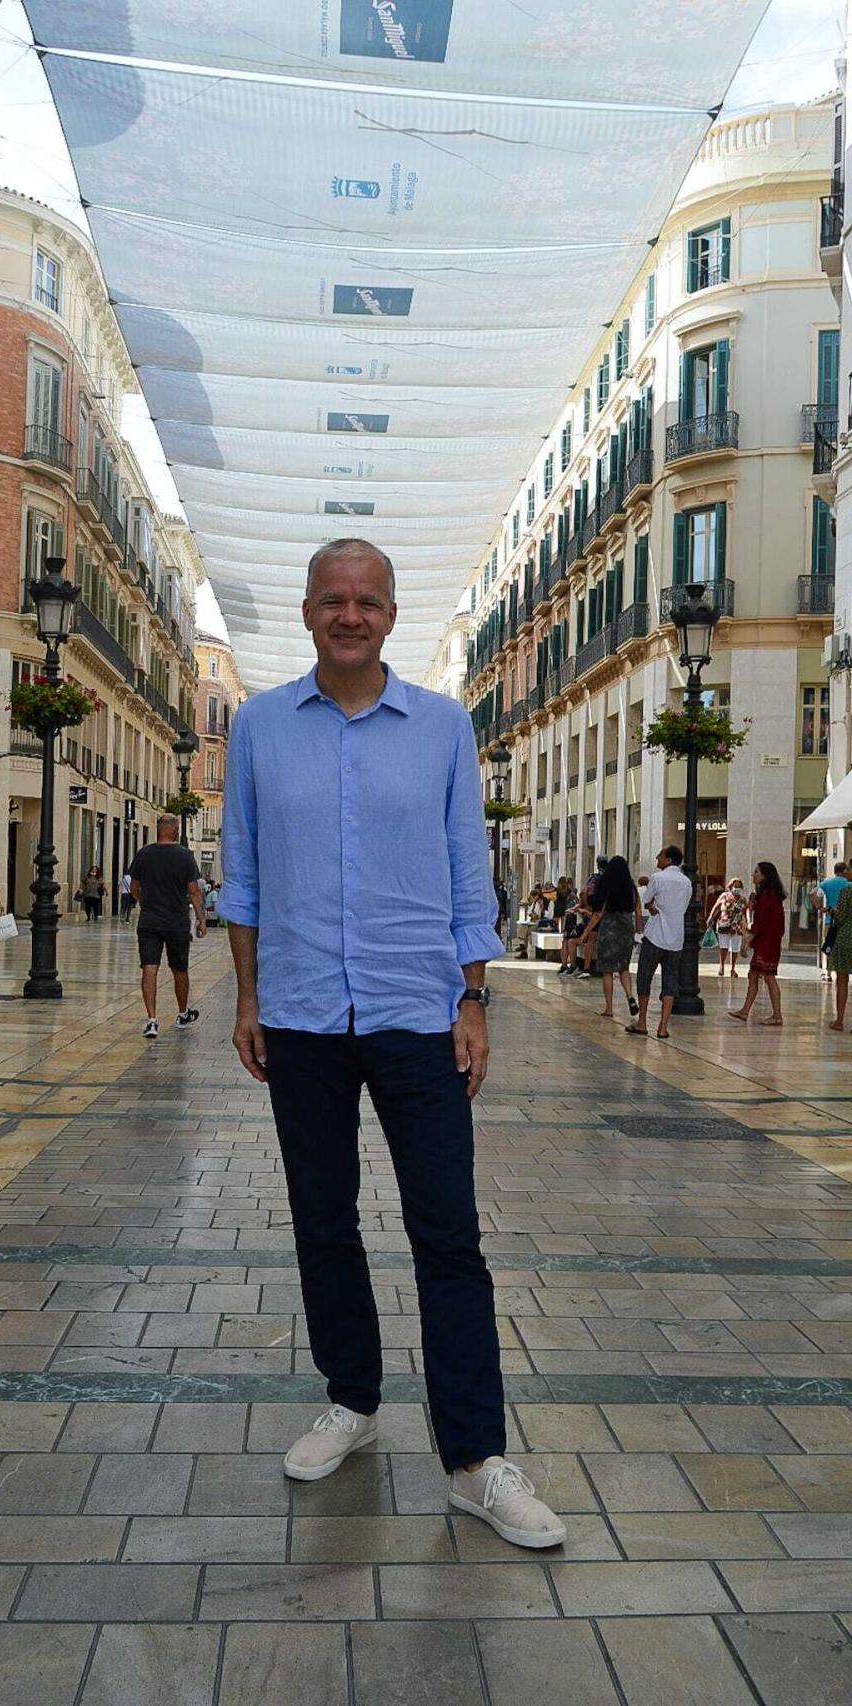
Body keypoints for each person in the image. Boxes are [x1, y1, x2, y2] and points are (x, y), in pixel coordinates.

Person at [220, 537, 565, 1551]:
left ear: (391, 612)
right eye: (333, 597)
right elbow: (242, 872)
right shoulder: (259, 727)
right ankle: (352, 1397)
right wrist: (247, 995)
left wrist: (476, 1000)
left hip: (420, 1009)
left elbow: (471, 870)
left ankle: (473, 1459)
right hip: (300, 1012)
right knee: (323, 1220)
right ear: (307, 608)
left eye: (367, 598)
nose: (350, 613)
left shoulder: (446, 727)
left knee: (447, 1233)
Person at [130, 815, 206, 1037]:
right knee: (179, 969)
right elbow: (194, 891)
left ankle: (152, 1020)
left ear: (158, 830)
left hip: (149, 920)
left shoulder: (144, 853)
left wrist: (144, 902)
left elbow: (134, 886)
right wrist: (201, 919)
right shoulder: (185, 856)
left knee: (149, 968)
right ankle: (182, 1013)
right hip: (177, 921)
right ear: (175, 830)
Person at [626, 845, 692, 1040]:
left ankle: (642, 1021)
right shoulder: (687, 882)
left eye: (660, 856)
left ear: (669, 859)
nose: (657, 859)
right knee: (670, 982)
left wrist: (653, 905)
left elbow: (646, 900)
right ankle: (663, 1027)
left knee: (644, 977)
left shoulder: (657, 878)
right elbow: (684, 906)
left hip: (655, 936)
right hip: (675, 939)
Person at [580, 854, 642, 1020]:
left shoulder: (607, 886)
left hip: (609, 930)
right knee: (623, 968)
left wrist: (586, 932)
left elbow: (598, 914)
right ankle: (629, 996)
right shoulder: (632, 888)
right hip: (626, 929)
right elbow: (638, 911)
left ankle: (609, 1007)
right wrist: (639, 932)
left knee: (607, 971)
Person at [731, 862, 786, 1026]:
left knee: (768, 977)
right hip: (768, 941)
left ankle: (777, 1015)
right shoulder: (769, 895)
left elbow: (761, 921)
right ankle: (745, 1010)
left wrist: (748, 940)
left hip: (767, 943)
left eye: (756, 872)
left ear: (764, 876)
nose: (753, 875)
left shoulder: (768, 896)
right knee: (753, 975)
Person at [815, 862, 850, 982]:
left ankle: (826, 972)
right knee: (841, 948)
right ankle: (840, 972)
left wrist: (820, 907)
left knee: (827, 946)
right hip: (844, 923)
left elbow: (814, 893)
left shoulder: (826, 883)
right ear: (844, 871)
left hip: (830, 921)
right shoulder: (848, 885)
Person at [707, 878, 748, 978]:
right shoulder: (724, 896)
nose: (737, 888)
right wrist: (711, 917)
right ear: (730, 887)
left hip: (737, 926)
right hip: (724, 923)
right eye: (735, 886)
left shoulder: (742, 899)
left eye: (739, 886)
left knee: (735, 948)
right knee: (723, 946)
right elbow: (716, 907)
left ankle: (733, 968)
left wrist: (746, 925)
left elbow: (745, 912)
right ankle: (722, 966)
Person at [828, 881, 852, 1030]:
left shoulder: (847, 891)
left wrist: (831, 910)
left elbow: (840, 916)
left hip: (846, 938)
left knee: (842, 981)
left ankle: (839, 1021)